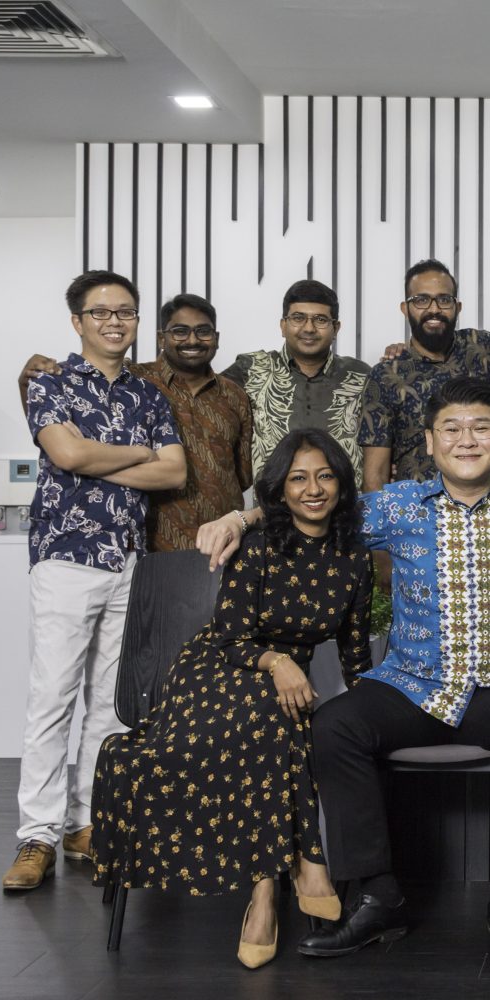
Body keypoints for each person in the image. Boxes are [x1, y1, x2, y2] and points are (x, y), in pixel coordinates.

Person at [90, 428, 373, 969]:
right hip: (217, 672)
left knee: (280, 712)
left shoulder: (354, 560)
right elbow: (230, 637)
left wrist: (371, 711)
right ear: (281, 490)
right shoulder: (261, 546)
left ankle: (265, 890)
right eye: (298, 479)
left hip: (279, 688)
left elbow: (355, 653)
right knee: (280, 705)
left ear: (341, 483)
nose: (313, 489)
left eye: (324, 476)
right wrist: (280, 662)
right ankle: (302, 868)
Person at [2, 269, 186, 891]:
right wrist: (136, 453)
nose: (115, 321)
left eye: (126, 312)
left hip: (128, 559)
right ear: (77, 321)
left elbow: (174, 473)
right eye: (101, 312)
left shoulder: (149, 395)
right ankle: (36, 834)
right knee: (53, 697)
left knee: (110, 703)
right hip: (65, 555)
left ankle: (85, 823)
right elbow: (67, 455)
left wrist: (95, 457)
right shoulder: (48, 382)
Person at [297, 375, 490, 956]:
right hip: (414, 688)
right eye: (452, 429)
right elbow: (313, 509)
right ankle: (379, 900)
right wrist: (240, 519)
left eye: (481, 427)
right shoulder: (401, 504)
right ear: (429, 442)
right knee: (335, 726)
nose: (467, 440)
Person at [18, 292, 252, 551]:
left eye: (203, 331)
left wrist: (87, 466)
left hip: (222, 543)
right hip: (152, 543)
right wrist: (27, 381)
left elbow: (243, 475)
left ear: (216, 338)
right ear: (161, 338)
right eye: (180, 331)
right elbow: (52, 430)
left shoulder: (235, 396)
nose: (192, 340)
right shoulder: (134, 382)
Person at [222, 279, 370, 485]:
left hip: (348, 501)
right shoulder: (250, 369)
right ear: (283, 326)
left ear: (336, 328)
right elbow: (203, 399)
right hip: (272, 502)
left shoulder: (360, 375)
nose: (309, 328)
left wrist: (398, 358)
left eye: (320, 319)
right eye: (298, 318)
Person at [359, 259, 490, 491]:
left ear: (458, 307)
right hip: (416, 506)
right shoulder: (387, 375)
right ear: (405, 308)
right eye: (421, 300)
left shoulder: (482, 349)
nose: (434, 309)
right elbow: (375, 474)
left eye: (444, 299)